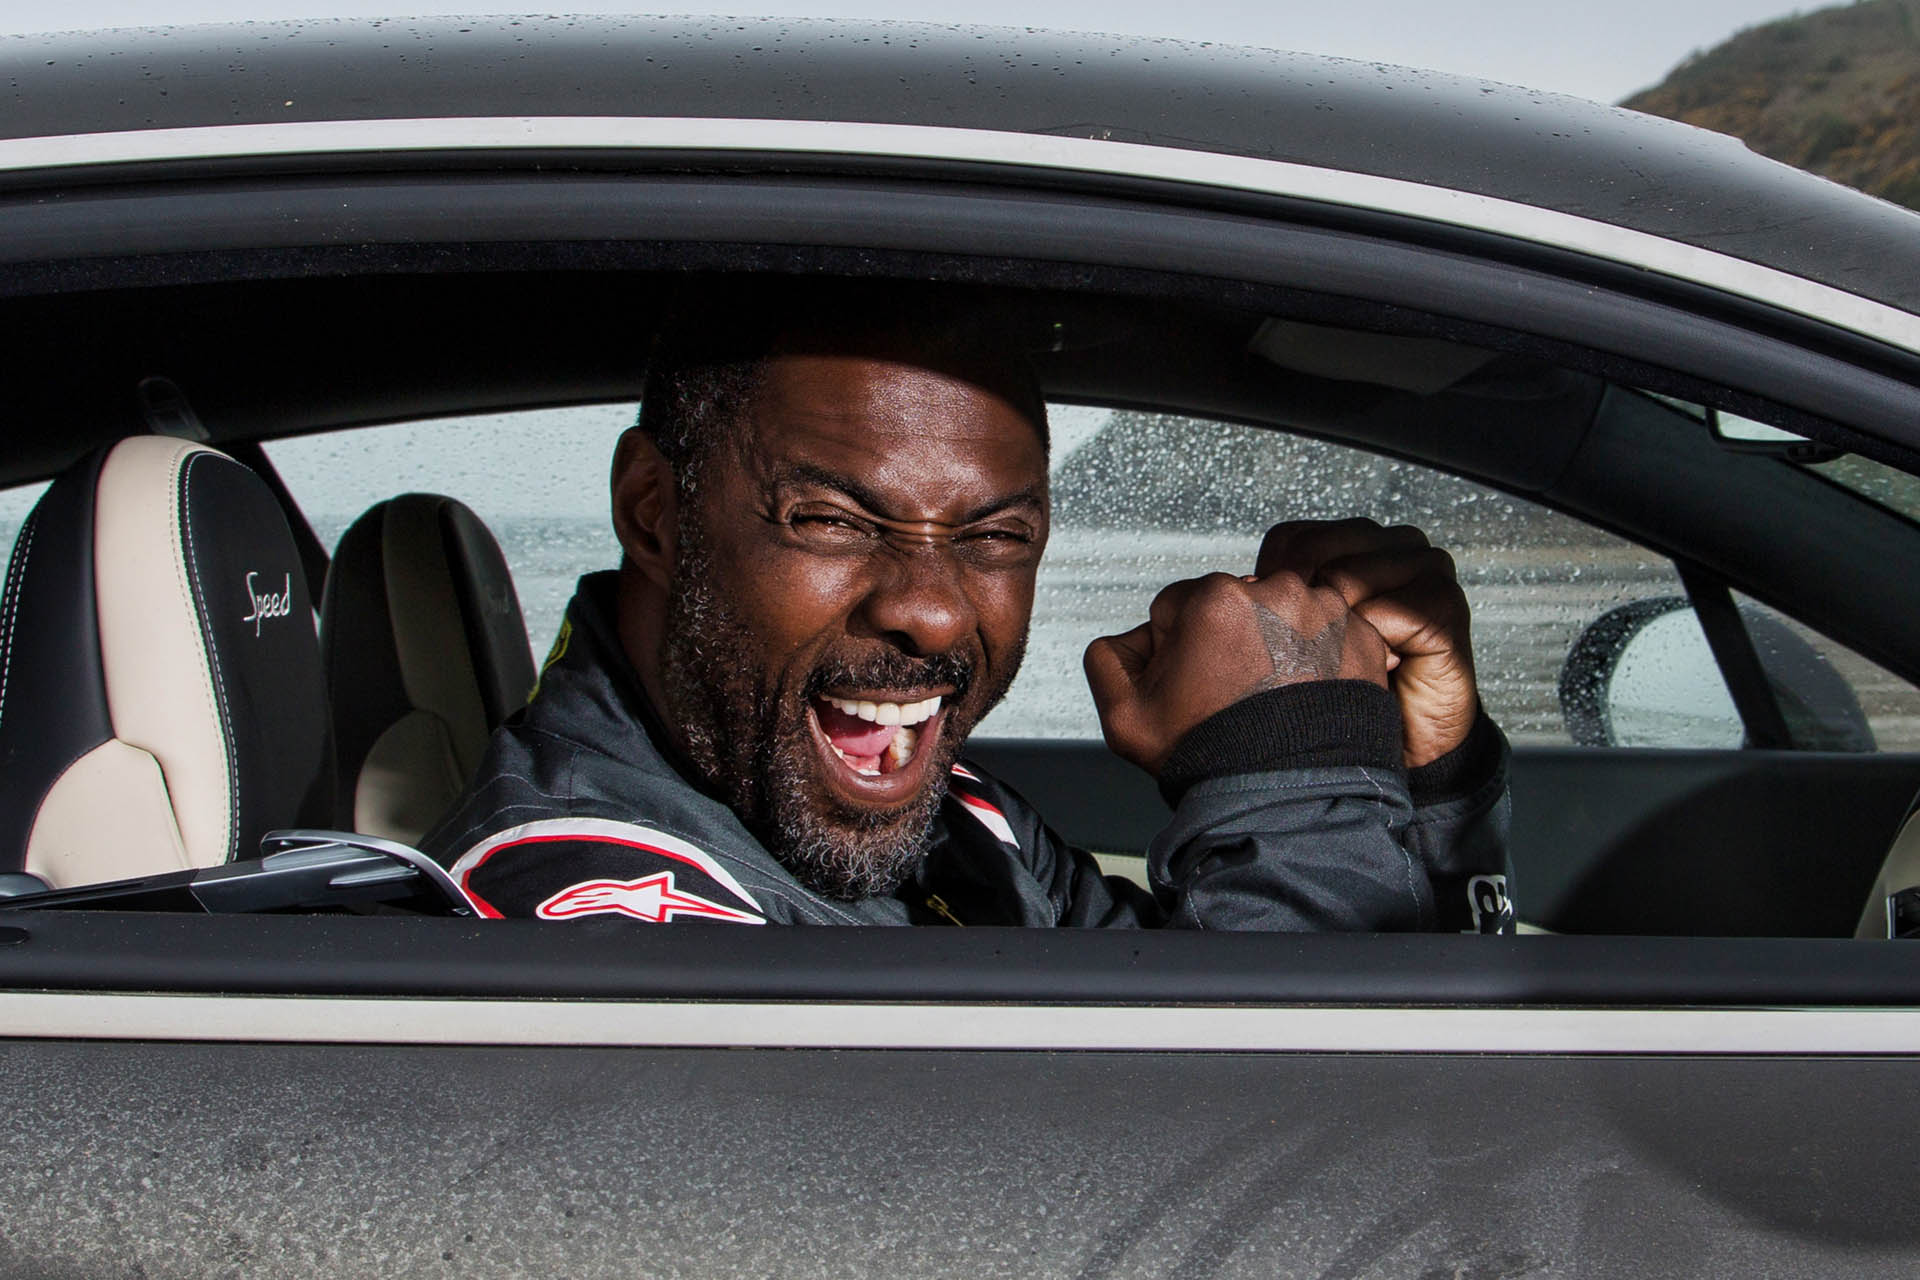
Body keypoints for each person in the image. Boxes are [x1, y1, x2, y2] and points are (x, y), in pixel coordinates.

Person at [422, 288, 1511, 929]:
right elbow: (1282, 1185)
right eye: (835, 520)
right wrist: (1287, 764)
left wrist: (1424, 775)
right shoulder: (581, 915)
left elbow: (1170, 1002)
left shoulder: (957, 819)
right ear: (655, 513)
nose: (936, 616)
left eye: (994, 537)